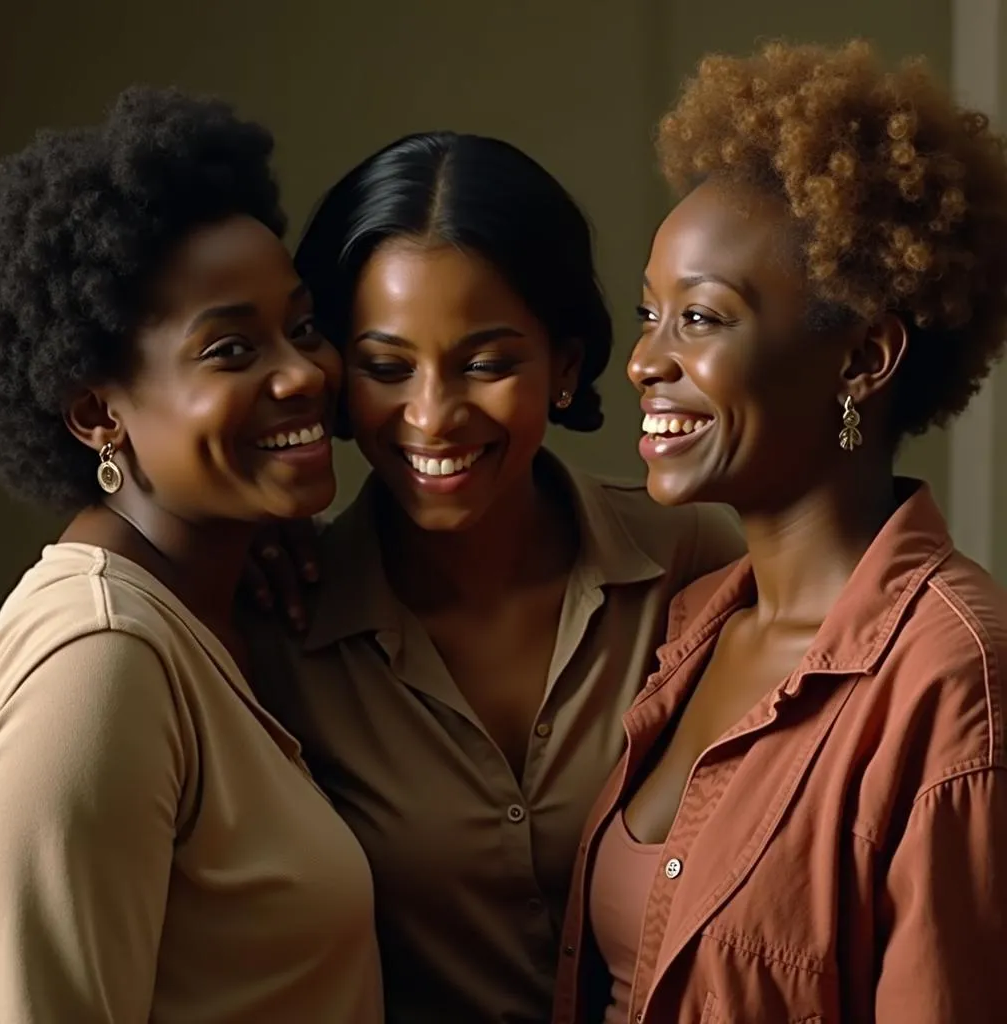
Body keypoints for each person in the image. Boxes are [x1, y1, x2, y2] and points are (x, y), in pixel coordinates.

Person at [551, 40, 1007, 1024]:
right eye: (649, 311)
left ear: (862, 360)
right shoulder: (696, 624)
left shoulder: (950, 676)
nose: (644, 361)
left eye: (702, 319)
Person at [246, 131, 745, 1023]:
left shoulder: (697, 562)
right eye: (387, 368)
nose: (433, 416)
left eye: (485, 364)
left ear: (562, 365)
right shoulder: (276, 623)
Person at [0, 88, 382, 1023]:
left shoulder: (219, 603)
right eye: (231, 348)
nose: (303, 374)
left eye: (303, 327)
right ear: (95, 413)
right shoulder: (100, 663)